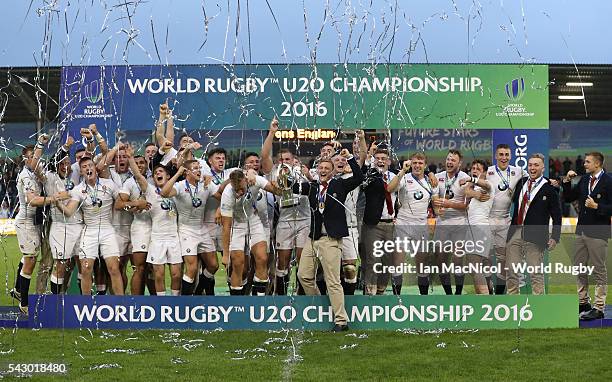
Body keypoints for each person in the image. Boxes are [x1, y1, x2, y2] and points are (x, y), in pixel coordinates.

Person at [295, 148, 363, 332]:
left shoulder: (340, 185)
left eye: (327, 167)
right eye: (321, 168)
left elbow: (359, 177)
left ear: (332, 171)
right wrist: (288, 175)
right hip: (313, 238)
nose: (323, 170)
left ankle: (341, 320)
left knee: (333, 280)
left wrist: (350, 158)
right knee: (303, 275)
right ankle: (322, 306)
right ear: (317, 170)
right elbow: (291, 188)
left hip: (331, 239)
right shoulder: (313, 187)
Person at [56, 157, 146, 295]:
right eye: (84, 166)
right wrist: (57, 202)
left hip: (107, 230)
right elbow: (69, 212)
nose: (88, 168)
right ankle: (86, 305)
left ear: (95, 169)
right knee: (86, 269)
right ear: (81, 171)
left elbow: (121, 203)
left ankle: (120, 303)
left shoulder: (109, 184)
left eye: (90, 165)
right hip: (89, 230)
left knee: (114, 268)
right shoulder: (78, 190)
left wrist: (135, 204)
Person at [12, 135, 71, 313]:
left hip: (37, 222)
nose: (37, 161)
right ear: (25, 159)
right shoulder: (25, 176)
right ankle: (24, 303)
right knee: (30, 260)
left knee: (28, 257)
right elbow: (32, 200)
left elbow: (51, 162)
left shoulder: (36, 172)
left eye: (38, 158)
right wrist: (54, 198)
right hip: (26, 221)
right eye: (33, 157)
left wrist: (64, 147)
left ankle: (16, 289)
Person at [562, 152, 612, 320]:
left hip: (598, 231)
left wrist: (597, 206)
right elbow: (568, 198)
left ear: (597, 164)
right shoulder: (584, 180)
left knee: (599, 269)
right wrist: (567, 182)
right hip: (581, 230)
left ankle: (599, 307)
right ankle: (583, 302)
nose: (584, 164)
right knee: (579, 267)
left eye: (587, 162)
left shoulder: (608, 181)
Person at [160, 160, 222, 295]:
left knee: (213, 266)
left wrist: (220, 208)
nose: (199, 170)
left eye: (199, 168)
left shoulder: (206, 184)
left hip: (202, 228)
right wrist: (177, 174)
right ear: (187, 172)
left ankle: (198, 291)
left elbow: (222, 196)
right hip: (186, 230)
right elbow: (164, 193)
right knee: (192, 269)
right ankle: (186, 302)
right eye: (195, 168)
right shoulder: (180, 186)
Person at [506, 153, 562, 295]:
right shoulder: (521, 182)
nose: (532, 168)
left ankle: (539, 306)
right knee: (512, 271)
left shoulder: (549, 188)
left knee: (535, 273)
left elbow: (557, 215)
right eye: (530, 165)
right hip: (515, 232)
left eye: (536, 165)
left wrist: (555, 237)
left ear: (543, 167)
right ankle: (513, 304)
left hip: (536, 236)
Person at [220, 170, 280, 295]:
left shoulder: (255, 180)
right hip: (237, 224)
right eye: (236, 188)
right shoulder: (227, 194)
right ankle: (237, 301)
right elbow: (226, 227)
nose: (239, 191)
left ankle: (260, 299)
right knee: (238, 263)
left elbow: (277, 191)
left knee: (262, 258)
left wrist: (277, 186)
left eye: (241, 187)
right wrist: (225, 254)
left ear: (246, 180)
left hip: (254, 220)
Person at [387, 152, 439, 295]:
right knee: (397, 265)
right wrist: (403, 171)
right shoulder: (404, 177)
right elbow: (389, 189)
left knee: (422, 267)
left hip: (421, 226)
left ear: (425, 165)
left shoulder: (431, 181)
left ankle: (423, 299)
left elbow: (436, 206)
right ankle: (396, 299)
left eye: (420, 163)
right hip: (403, 224)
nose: (417, 165)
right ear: (410, 164)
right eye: (414, 163)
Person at [44, 135, 84, 295]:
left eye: (68, 163)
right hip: (61, 227)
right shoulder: (51, 177)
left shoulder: (74, 177)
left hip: (79, 226)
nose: (65, 166)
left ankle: (82, 301)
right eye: (62, 163)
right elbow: (52, 162)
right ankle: (56, 299)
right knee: (60, 264)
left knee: (83, 263)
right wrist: (66, 147)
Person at [486, 144, 528, 294]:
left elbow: (534, 182)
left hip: (505, 220)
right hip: (488, 220)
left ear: (511, 156)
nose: (504, 157)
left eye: (506, 155)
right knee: (486, 258)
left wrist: (552, 182)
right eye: (501, 154)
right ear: (496, 156)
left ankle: (498, 294)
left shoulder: (519, 171)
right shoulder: (488, 171)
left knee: (503, 259)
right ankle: (487, 290)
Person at [332, 130, 367, 295]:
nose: (341, 162)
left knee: (350, 268)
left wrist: (361, 139)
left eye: (343, 160)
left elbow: (363, 155)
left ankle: (350, 299)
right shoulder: (329, 180)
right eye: (337, 160)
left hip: (350, 228)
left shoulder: (355, 177)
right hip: (330, 229)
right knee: (330, 269)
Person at [361, 145, 398, 295]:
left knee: (387, 262)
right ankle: (370, 293)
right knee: (373, 261)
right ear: (373, 161)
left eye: (383, 159)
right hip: (373, 225)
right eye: (378, 159)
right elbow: (386, 189)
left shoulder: (396, 175)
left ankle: (381, 291)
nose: (380, 161)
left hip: (390, 225)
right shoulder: (369, 175)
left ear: (389, 161)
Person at [433, 149, 470, 295]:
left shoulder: (465, 178)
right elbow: (434, 199)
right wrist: (437, 209)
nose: (449, 162)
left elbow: (466, 206)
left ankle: (459, 294)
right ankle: (448, 294)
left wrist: (448, 204)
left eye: (453, 160)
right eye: (448, 159)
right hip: (442, 224)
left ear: (459, 163)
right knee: (441, 261)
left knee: (457, 261)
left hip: (460, 224)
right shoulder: (437, 177)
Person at [119, 149, 154, 295]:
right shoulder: (129, 182)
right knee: (139, 267)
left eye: (142, 163)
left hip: (158, 227)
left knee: (153, 267)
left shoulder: (154, 179)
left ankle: (155, 301)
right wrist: (135, 204)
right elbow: (119, 205)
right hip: (140, 227)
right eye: (136, 163)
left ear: (147, 165)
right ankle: (136, 302)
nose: (139, 165)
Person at [462, 159, 494, 294]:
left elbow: (485, 185)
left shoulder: (488, 186)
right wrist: (472, 183)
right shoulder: (473, 189)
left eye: (478, 169)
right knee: (483, 268)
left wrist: (471, 179)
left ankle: (484, 302)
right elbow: (467, 191)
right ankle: (489, 296)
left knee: (474, 266)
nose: (474, 170)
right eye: (473, 168)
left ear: (485, 172)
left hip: (479, 229)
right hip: (477, 230)